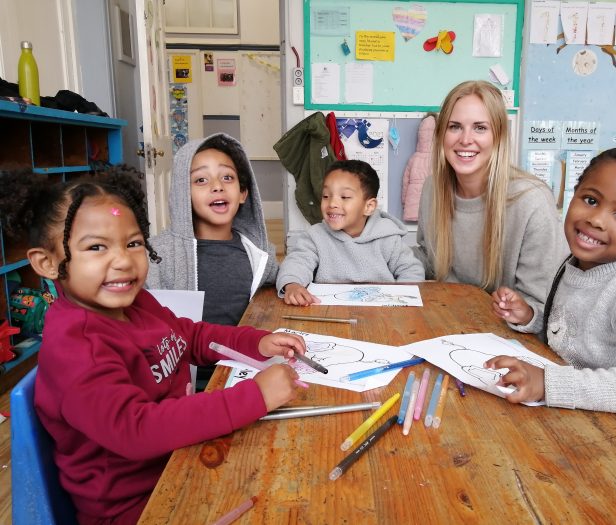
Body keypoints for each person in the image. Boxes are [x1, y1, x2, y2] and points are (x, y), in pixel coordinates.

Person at [0, 167, 306, 525]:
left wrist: (257, 342)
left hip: (178, 460)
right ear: (48, 263)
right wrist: (254, 397)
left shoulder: (135, 304)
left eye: (133, 243)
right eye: (96, 247)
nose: (123, 261)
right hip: (138, 507)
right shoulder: (76, 347)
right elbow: (136, 429)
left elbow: (189, 336)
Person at [488, 141, 616, 476]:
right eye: (590, 200)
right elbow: (579, 337)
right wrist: (531, 318)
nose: (597, 219)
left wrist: (549, 383)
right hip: (600, 422)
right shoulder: (575, 263)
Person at [414, 80, 567, 314]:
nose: (465, 139)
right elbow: (430, 263)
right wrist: (378, 248)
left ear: (499, 136)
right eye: (454, 126)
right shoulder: (432, 189)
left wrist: (518, 311)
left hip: (510, 336)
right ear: (441, 134)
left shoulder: (532, 201)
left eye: (480, 128)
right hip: (449, 322)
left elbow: (540, 308)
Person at [146, 133, 278, 388]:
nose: (217, 186)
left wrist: (291, 283)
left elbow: (277, 275)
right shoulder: (157, 254)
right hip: (183, 382)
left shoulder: (256, 250)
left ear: (242, 193)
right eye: (201, 179)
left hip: (243, 370)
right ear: (183, 194)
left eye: (227, 177)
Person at [277, 159, 425, 306]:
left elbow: (411, 270)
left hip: (381, 313)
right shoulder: (315, 237)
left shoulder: (388, 238)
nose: (332, 204)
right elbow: (297, 262)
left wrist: (401, 296)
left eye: (345, 197)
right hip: (328, 311)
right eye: (326, 196)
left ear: (369, 206)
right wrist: (292, 284)